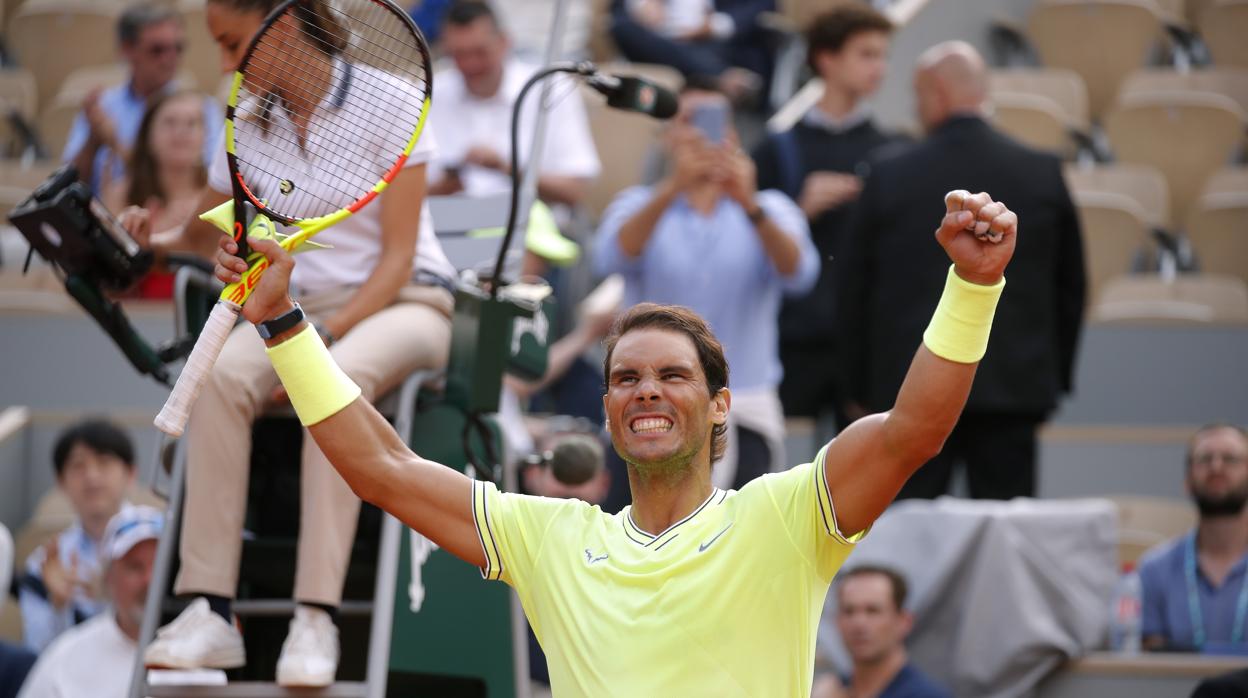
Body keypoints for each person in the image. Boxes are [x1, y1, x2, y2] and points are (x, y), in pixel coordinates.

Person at [189, 171, 1020, 693]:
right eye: (626, 378)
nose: (645, 392)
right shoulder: (550, 537)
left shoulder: (785, 516)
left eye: (672, 376)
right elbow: (381, 468)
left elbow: (913, 431)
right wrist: (285, 322)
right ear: (608, 406)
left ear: (722, 404)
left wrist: (973, 289)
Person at [134, 0, 459, 688]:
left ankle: (316, 617)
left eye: (231, 43)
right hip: (294, 308)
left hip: (401, 303)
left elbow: (398, 258)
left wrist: (319, 341)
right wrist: (163, 244)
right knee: (220, 378)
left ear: (279, 24)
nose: (224, 64)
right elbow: (223, 227)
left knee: (328, 380)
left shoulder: (392, 98)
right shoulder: (247, 120)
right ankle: (209, 612)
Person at [836, 41, 1086, 500]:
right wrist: (1052, 381)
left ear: (937, 92)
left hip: (910, 389)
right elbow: (1071, 288)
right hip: (1015, 389)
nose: (916, 107)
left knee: (910, 541)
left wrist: (858, 387)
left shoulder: (890, 175)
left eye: (917, 94)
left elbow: (854, 289)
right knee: (1005, 539)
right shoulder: (1042, 172)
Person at [594, 80, 819, 489]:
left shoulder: (770, 207)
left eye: (712, 123)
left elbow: (799, 273)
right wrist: (673, 187)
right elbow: (610, 256)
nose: (700, 135)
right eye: (687, 122)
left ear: (731, 134)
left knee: (747, 538)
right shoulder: (638, 203)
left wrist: (749, 204)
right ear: (667, 136)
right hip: (652, 402)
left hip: (744, 402)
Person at [753, 5, 900, 432]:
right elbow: (747, 243)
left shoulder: (892, 148)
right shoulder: (777, 149)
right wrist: (799, 211)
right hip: (792, 337)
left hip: (865, 340)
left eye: (882, 55)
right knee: (778, 477)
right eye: (866, 54)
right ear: (826, 59)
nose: (880, 67)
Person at [426, 0, 600, 211]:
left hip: (531, 232)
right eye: (458, 54)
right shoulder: (431, 93)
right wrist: (445, 186)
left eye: (480, 52)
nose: (470, 64)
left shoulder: (549, 91)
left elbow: (575, 191)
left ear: (504, 42)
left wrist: (505, 167)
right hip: (445, 228)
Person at [62, 3, 220, 195]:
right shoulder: (103, 106)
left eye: (177, 48)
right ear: (127, 49)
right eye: (158, 50)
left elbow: (203, 185)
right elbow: (69, 185)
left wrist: (115, 143)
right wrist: (93, 140)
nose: (170, 58)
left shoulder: (202, 109)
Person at [17, 506, 163, 698]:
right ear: (109, 577)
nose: (149, 580)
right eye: (135, 567)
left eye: (160, 565)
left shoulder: (203, 657)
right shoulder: (65, 660)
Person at [17, 420, 137, 652]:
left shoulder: (162, 545)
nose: (91, 476)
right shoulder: (42, 565)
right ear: (60, 482)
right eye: (77, 466)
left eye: (104, 462)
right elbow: (38, 656)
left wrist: (115, 599)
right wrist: (59, 606)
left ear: (130, 474)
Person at [1140, 424, 1248, 653]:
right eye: (1205, 459)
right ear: (1187, 481)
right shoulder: (1154, 570)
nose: (1216, 467)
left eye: (1230, 459)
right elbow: (1149, 672)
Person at [103, 90, 210, 298]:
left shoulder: (219, 198)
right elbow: (108, 281)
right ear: (148, 135)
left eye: (191, 123)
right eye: (170, 122)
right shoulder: (121, 194)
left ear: (205, 137)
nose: (181, 132)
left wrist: (185, 237)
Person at [813, 566, 951, 698]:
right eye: (849, 611)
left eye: (873, 611)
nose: (859, 623)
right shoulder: (830, 689)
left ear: (904, 621)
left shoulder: (926, 695)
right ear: (837, 621)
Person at [609, 0, 772, 103]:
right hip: (657, 41)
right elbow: (617, 11)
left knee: (704, 55)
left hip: (713, 41)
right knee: (622, 28)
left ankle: (710, 72)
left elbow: (761, 4)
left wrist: (714, 26)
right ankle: (720, 75)